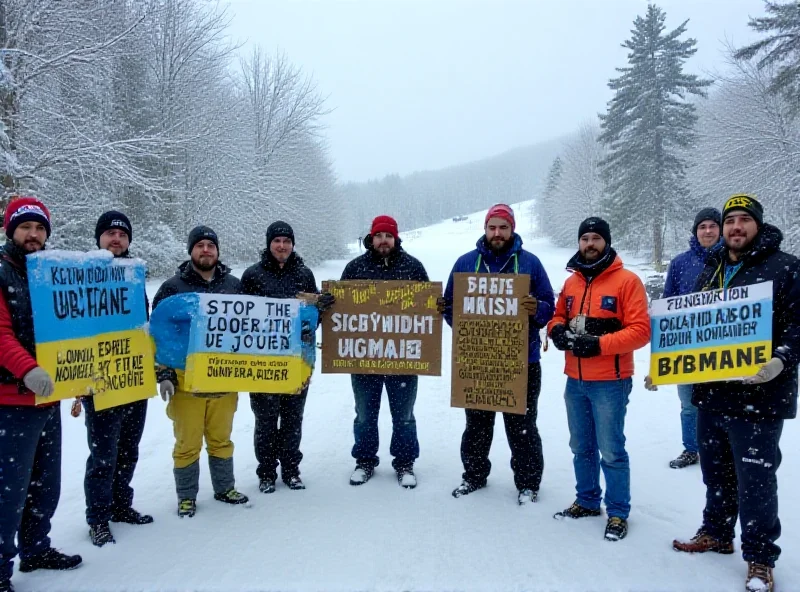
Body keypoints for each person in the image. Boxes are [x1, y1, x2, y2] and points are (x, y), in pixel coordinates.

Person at [672, 195, 799, 592]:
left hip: (759, 395)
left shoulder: (785, 268)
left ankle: (760, 558)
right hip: (713, 394)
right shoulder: (711, 270)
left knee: (756, 480)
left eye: (744, 220)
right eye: (730, 221)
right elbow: (692, 327)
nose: (735, 228)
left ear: (758, 225)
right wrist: (669, 362)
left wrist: (781, 359)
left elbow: (799, 325)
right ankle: (717, 532)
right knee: (717, 473)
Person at [442, 203, 555, 504]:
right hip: (477, 360)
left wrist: (538, 310)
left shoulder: (530, 263)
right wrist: (470, 331)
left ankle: (528, 482)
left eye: (503, 227)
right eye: (492, 227)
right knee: (477, 425)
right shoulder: (466, 263)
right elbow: (451, 305)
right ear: (485, 229)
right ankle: (474, 476)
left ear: (512, 229)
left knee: (522, 426)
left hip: (522, 361)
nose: (497, 233)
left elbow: (548, 305)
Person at [548, 217, 650, 541]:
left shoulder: (627, 281)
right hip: (574, 380)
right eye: (584, 238)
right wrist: (557, 331)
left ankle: (618, 512)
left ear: (606, 241)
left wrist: (600, 344)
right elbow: (556, 316)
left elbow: (641, 331)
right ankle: (588, 500)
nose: (589, 244)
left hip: (611, 381)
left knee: (611, 450)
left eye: (595, 238)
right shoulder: (572, 282)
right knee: (581, 446)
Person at [0, 197, 82, 592]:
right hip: (11, 402)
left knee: (45, 484)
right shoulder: (1, 272)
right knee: (7, 492)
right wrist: (28, 369)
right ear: (10, 231)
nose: (33, 235)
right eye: (25, 228)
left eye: (39, 228)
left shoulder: (48, 274)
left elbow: (76, 328)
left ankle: (36, 548)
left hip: (50, 399)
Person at [152, 225, 249, 517]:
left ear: (218, 251)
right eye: (200, 245)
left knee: (221, 438)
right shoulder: (172, 288)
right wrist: (164, 374)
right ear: (191, 250)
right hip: (185, 382)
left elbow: (250, 330)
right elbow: (159, 335)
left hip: (224, 379)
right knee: (187, 442)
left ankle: (224, 487)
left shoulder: (234, 285)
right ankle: (186, 496)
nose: (206, 250)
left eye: (211, 245)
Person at [240, 221, 334, 493]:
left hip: (297, 361)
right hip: (262, 363)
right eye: (277, 241)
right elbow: (240, 317)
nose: (282, 246)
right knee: (266, 420)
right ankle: (267, 472)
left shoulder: (304, 274)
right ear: (269, 244)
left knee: (293, 419)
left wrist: (320, 309)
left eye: (287, 241)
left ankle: (291, 470)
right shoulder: (252, 275)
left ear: (293, 245)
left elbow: (312, 320)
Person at [340, 215, 429, 488]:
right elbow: (341, 313)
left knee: (403, 415)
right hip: (364, 357)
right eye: (379, 236)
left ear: (396, 238)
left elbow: (426, 310)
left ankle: (404, 463)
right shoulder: (355, 268)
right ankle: (365, 461)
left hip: (403, 358)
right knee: (365, 414)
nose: (383, 241)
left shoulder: (412, 267)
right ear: (371, 238)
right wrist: (331, 303)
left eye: (388, 236)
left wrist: (436, 305)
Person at [83, 211, 153, 547]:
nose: (116, 239)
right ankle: (97, 518)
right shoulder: (80, 276)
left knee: (128, 449)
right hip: (99, 380)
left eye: (122, 235)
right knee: (102, 455)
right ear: (98, 238)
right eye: (110, 233)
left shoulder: (134, 276)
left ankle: (121, 505)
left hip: (134, 377)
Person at [659, 207, 722, 469]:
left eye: (712, 226)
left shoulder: (732, 260)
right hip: (686, 346)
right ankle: (691, 449)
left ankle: (719, 449)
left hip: (722, 345)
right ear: (695, 231)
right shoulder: (680, 263)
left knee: (721, 402)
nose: (707, 231)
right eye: (702, 227)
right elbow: (667, 303)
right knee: (688, 403)